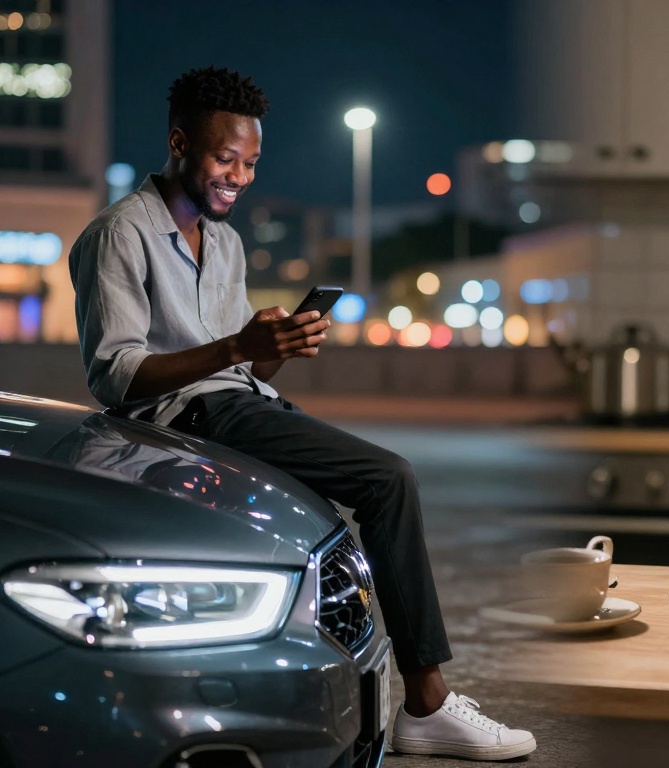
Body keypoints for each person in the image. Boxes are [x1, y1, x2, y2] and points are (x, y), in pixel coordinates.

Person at [67, 66, 535, 761]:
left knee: (321, 523)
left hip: (235, 403)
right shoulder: (119, 234)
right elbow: (115, 376)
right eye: (226, 158)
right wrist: (237, 345)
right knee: (388, 479)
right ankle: (429, 702)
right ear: (178, 143)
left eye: (251, 162)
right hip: (181, 422)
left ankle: (320, 694)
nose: (239, 176)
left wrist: (277, 346)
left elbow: (242, 367)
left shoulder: (222, 240)